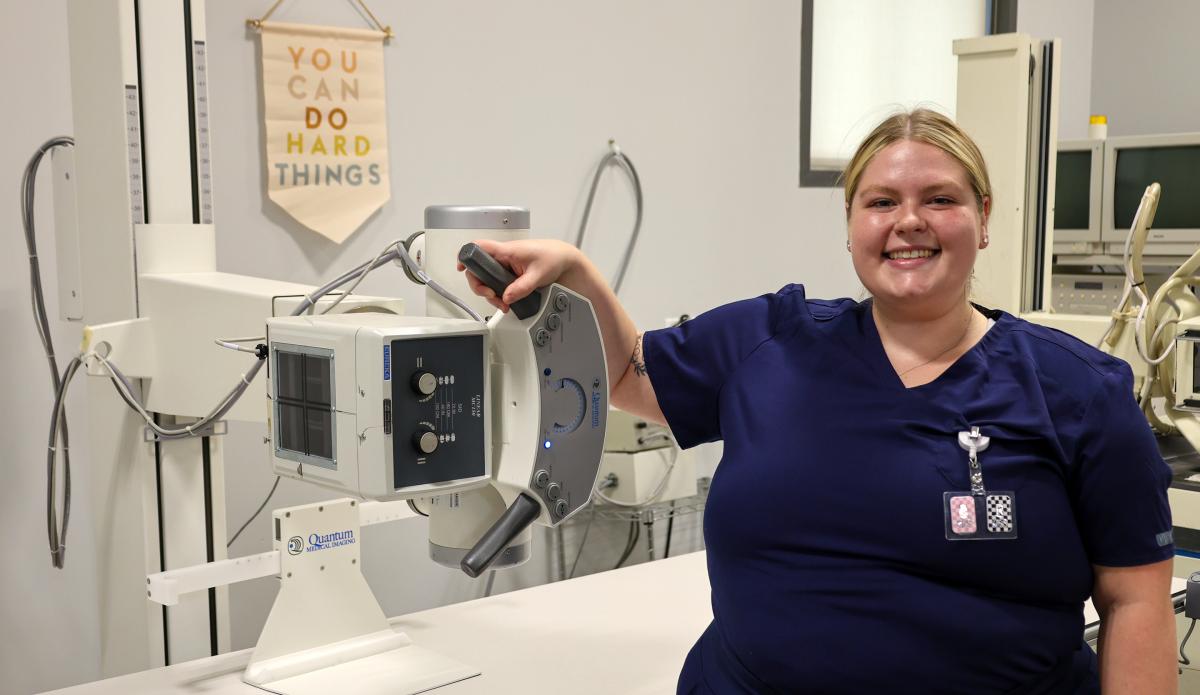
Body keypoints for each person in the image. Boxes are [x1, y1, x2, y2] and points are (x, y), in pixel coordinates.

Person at [458, 109, 1178, 694]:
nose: (909, 221)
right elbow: (632, 373)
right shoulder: (770, 337)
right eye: (882, 202)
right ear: (850, 224)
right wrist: (578, 272)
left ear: (983, 218)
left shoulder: (1078, 390)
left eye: (940, 199)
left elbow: (1135, 600)